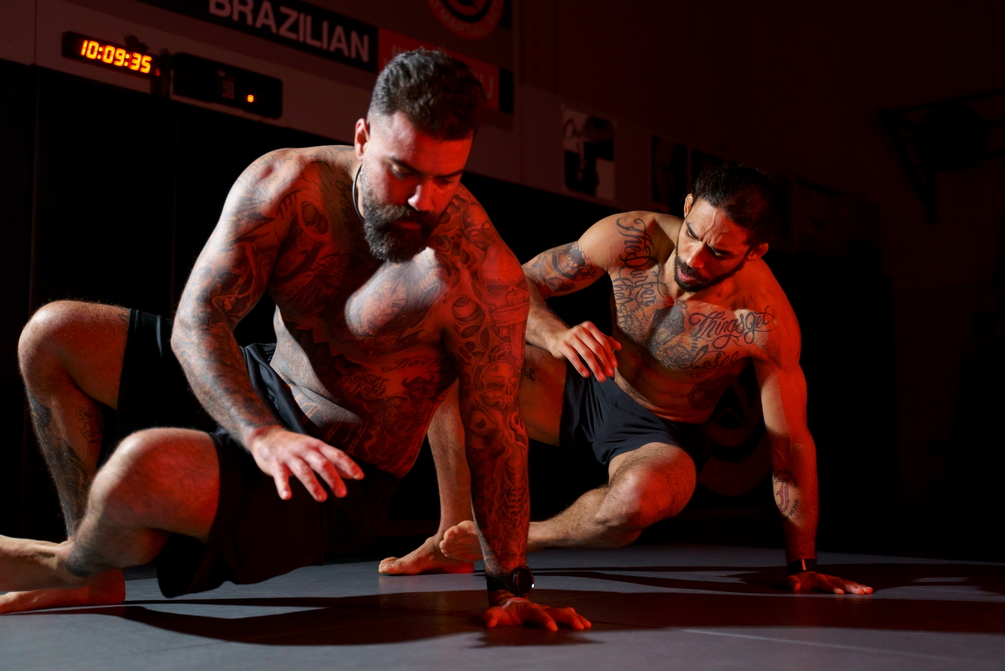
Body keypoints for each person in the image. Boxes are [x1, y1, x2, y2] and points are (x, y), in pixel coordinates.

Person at [2, 48, 590, 630]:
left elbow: (497, 436)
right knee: (53, 334)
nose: (424, 201)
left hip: (335, 476)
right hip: (262, 392)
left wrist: (508, 588)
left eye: (447, 179)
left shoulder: (477, 272)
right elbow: (199, 320)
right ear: (362, 138)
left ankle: (70, 566)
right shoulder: (289, 184)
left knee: (140, 469)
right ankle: (94, 570)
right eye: (404, 171)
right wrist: (261, 433)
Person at [380, 163, 872, 595]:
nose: (694, 258)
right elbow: (514, 284)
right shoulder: (629, 236)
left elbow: (791, 445)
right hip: (587, 386)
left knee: (635, 503)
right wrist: (554, 334)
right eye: (693, 234)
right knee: (448, 361)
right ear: (687, 207)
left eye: (719, 253)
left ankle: (514, 537)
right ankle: (450, 539)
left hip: (662, 433)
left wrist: (803, 564)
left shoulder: (763, 322)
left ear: (756, 251)